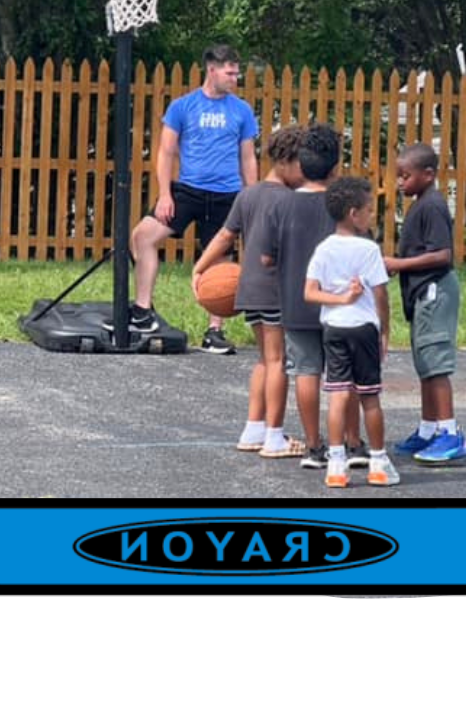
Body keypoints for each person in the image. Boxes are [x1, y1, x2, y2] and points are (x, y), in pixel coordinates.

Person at [108, 44, 259, 353]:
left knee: (219, 262)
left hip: (227, 194)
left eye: (236, 72)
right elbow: (164, 152)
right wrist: (165, 194)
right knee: (142, 237)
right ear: (212, 70)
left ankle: (214, 331)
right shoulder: (182, 107)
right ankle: (143, 311)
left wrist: (252, 196)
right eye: (230, 72)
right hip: (187, 190)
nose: (235, 77)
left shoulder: (241, 110)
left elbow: (248, 157)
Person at [191, 125, 306, 456]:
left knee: (264, 360)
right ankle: (274, 436)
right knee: (278, 361)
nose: (306, 173)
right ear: (286, 160)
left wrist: (200, 267)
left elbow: (225, 236)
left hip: (249, 288)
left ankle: (253, 430)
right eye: (303, 165)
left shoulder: (248, 194)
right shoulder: (289, 201)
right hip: (275, 289)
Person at [262, 123, 367, 470]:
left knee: (306, 372)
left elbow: (266, 257)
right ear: (335, 167)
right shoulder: (343, 206)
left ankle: (313, 446)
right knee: (345, 375)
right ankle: (352, 442)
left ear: (300, 166)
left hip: (297, 301)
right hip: (340, 305)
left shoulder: (280, 205)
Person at [305, 177, 397, 487]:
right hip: (363, 327)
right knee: (369, 396)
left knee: (337, 394)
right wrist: (385, 328)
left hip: (334, 326)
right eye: (369, 210)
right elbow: (381, 295)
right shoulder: (368, 249)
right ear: (353, 213)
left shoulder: (323, 249)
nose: (372, 216)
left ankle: (336, 464)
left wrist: (339, 299)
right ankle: (379, 462)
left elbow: (310, 293)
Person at [384, 143, 466, 463]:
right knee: (425, 365)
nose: (400, 182)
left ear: (428, 175)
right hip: (422, 293)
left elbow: (442, 254)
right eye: (398, 176)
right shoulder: (421, 203)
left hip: (435, 291)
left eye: (405, 176)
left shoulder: (433, 205)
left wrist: (397, 264)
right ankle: (427, 430)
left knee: (436, 365)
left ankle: (450, 433)